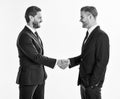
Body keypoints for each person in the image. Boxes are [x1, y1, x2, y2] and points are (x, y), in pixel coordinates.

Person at [58, 6, 110, 99]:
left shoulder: (101, 36)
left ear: (90, 16)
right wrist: (69, 61)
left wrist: (92, 84)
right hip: (84, 83)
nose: (80, 20)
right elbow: (85, 56)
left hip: (92, 85)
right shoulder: (89, 34)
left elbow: (102, 62)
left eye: (82, 17)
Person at [16, 6, 59, 99]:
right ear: (31, 17)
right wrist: (56, 62)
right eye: (39, 17)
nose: (41, 20)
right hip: (28, 79)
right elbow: (36, 57)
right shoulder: (24, 35)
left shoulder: (33, 33)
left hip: (40, 78)